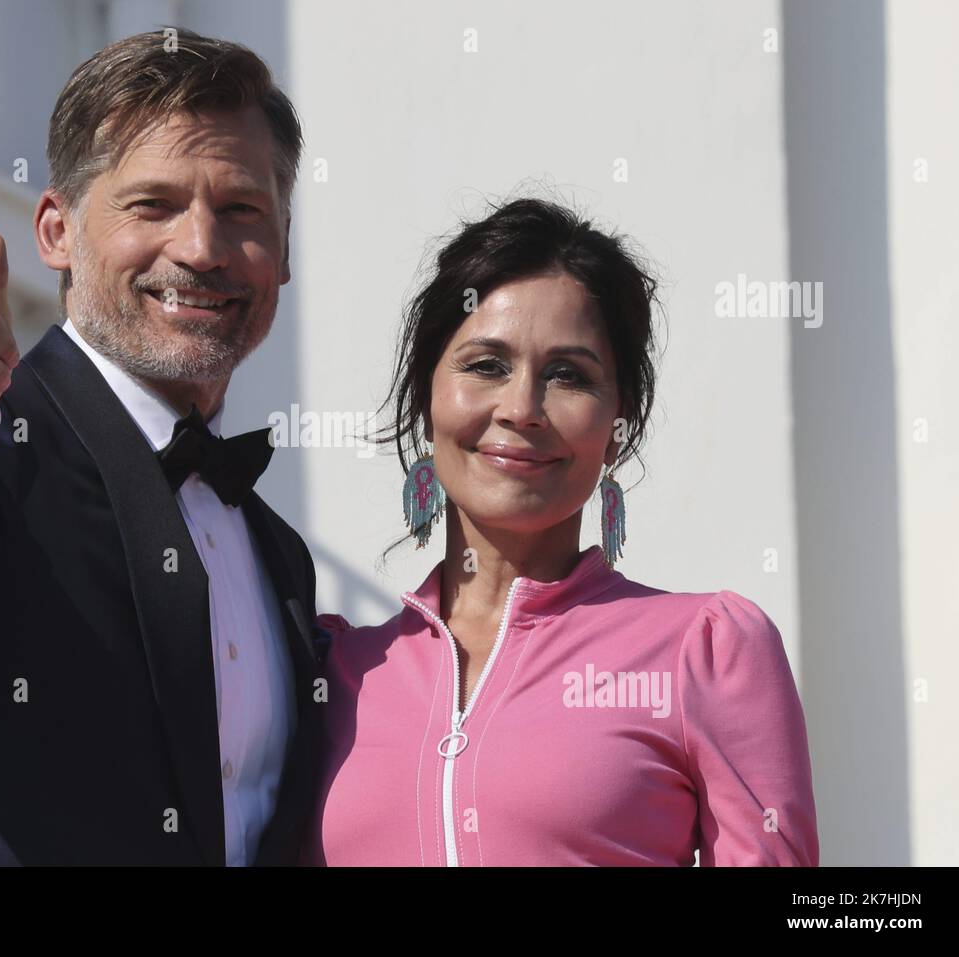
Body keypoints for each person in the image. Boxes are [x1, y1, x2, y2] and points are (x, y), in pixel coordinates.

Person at [0, 29, 326, 865]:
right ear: (56, 231)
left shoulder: (278, 555)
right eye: (152, 205)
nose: (199, 248)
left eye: (241, 210)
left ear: (285, 248)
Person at [303, 198, 819, 866]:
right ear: (426, 396)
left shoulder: (708, 651)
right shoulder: (333, 670)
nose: (521, 409)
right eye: (486, 364)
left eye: (568, 375)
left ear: (616, 426)